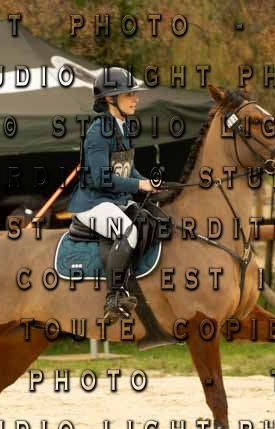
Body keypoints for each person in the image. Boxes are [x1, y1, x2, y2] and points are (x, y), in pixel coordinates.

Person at [67, 67, 161, 323]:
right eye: (129, 94)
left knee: (155, 220)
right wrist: (139, 186)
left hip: (114, 200)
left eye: (134, 94)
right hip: (92, 203)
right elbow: (101, 179)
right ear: (110, 98)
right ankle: (114, 297)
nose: (135, 99)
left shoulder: (124, 126)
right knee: (127, 232)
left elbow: (127, 168)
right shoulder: (98, 132)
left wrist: (148, 182)